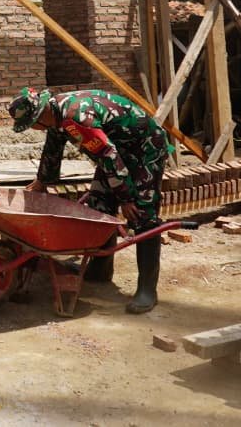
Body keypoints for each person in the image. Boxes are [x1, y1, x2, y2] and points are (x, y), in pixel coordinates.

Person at [9, 86, 170, 314]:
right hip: (117, 151)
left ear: (38, 117)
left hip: (145, 149)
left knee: (142, 214)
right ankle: (100, 270)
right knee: (99, 206)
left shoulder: (77, 118)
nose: (32, 129)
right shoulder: (55, 115)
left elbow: (108, 155)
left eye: (30, 125)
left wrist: (126, 197)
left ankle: (147, 290)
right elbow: (53, 149)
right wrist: (42, 182)